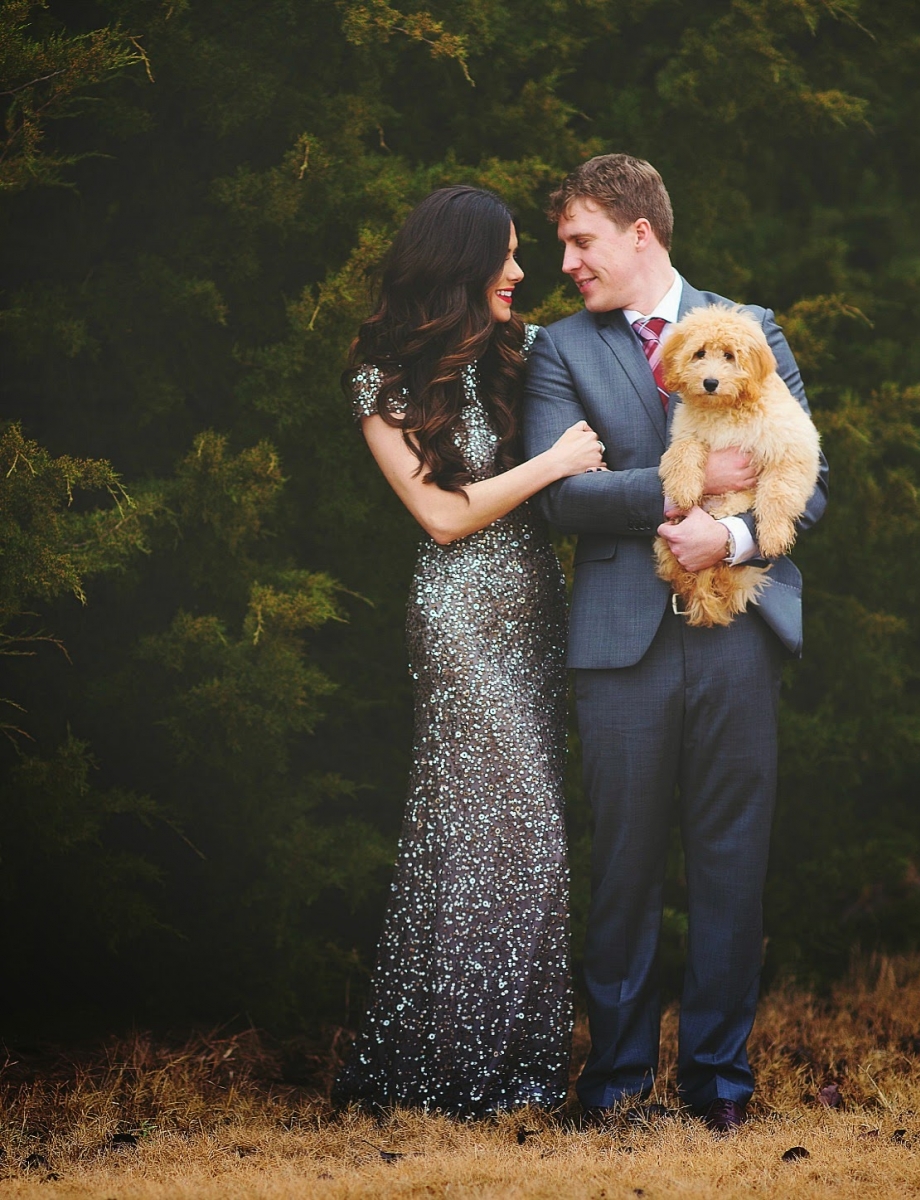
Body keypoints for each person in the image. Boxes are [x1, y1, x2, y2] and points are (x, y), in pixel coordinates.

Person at [523, 155, 829, 1133]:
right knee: (621, 866)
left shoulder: (752, 328)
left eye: (580, 240)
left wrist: (732, 536)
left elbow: (806, 479)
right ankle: (612, 1084)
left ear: (637, 231)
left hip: (738, 629)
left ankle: (719, 1086)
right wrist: (678, 490)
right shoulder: (558, 350)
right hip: (621, 649)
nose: (567, 261)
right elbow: (559, 495)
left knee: (731, 864)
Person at [332, 185, 605, 1117]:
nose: (523, 274)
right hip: (457, 624)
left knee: (507, 837)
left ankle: (505, 1069)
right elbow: (443, 516)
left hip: (534, 616)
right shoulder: (382, 379)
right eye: (509, 256)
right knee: (505, 825)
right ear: (460, 264)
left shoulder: (514, 357)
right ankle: (460, 1075)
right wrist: (552, 464)